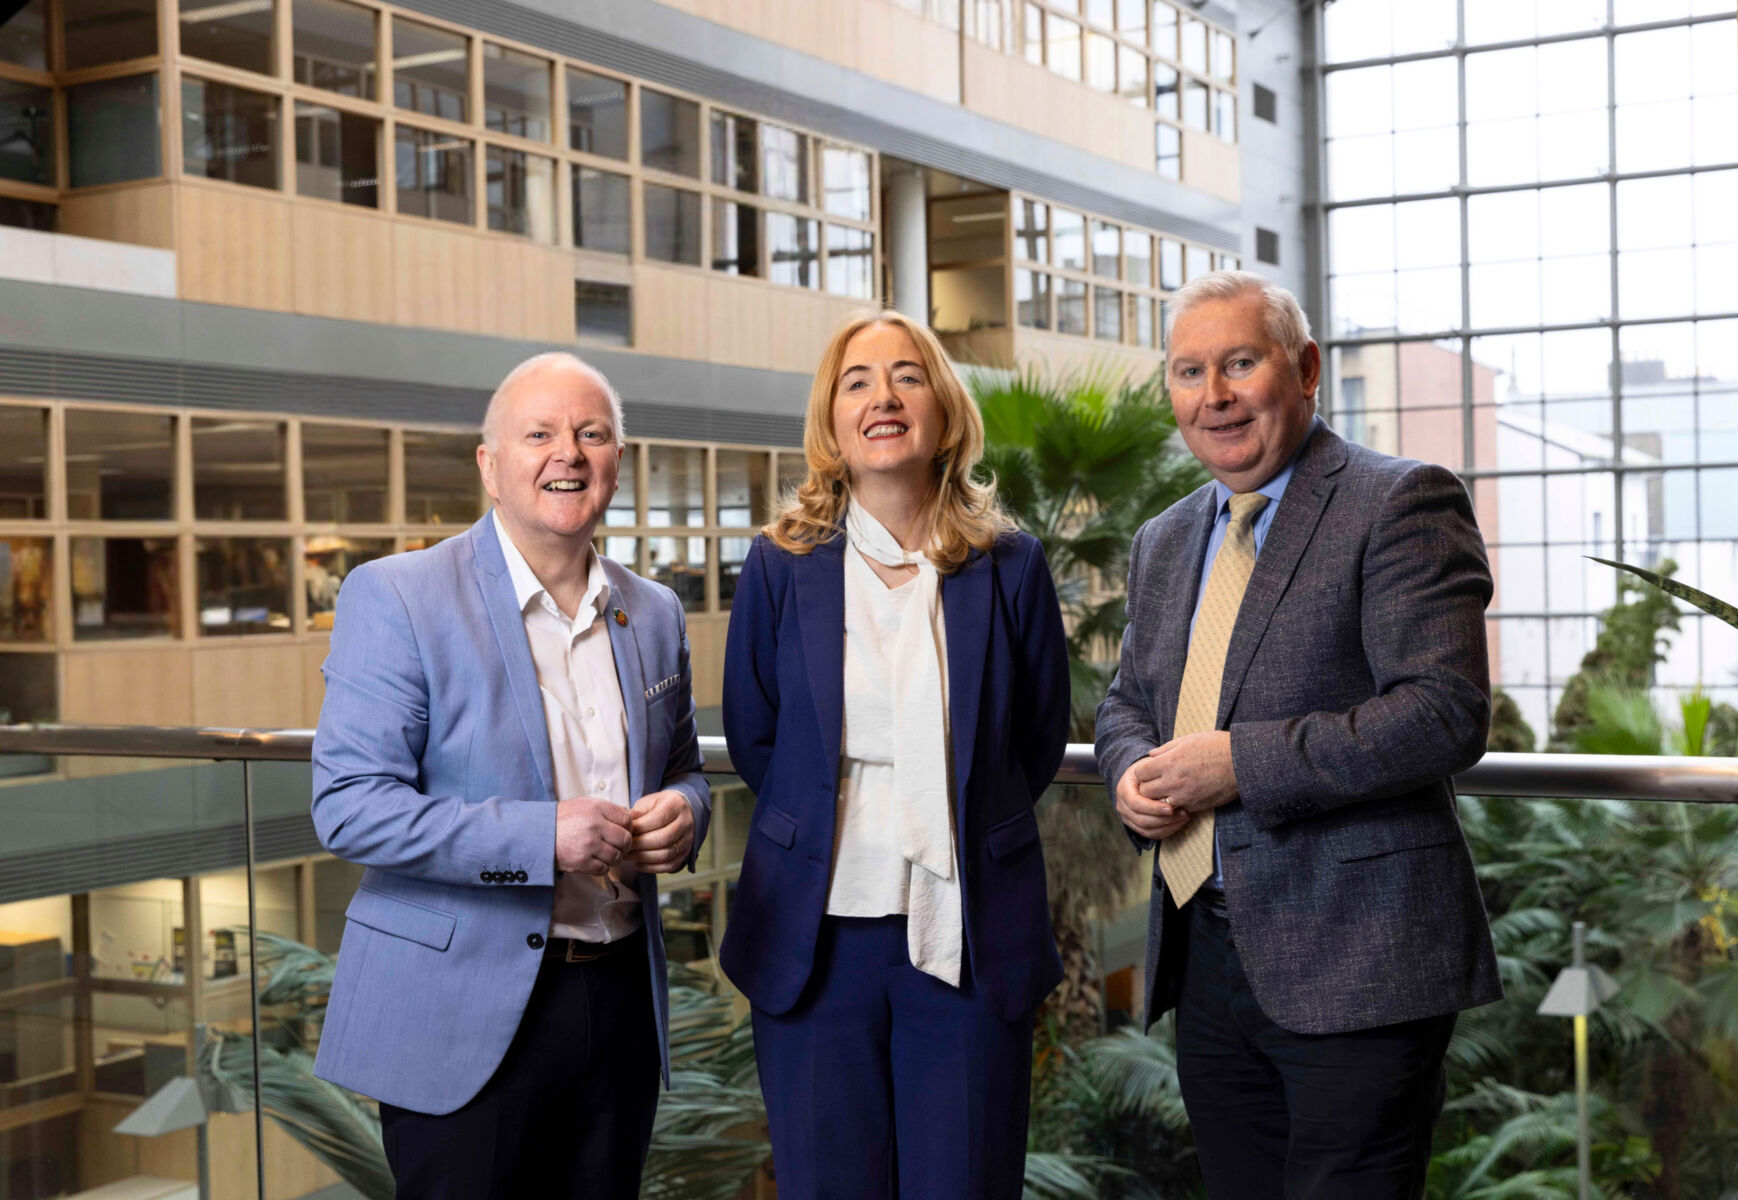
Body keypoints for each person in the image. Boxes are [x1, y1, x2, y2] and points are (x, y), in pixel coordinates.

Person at [1094, 271, 1501, 1199]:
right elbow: (1126, 703)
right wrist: (1127, 774)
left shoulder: (1400, 500)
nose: (1215, 396)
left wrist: (1241, 764)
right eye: (1190, 372)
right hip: (1204, 951)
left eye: (1241, 363)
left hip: (1360, 957)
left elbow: (1444, 710)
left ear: (1307, 369)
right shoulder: (1165, 537)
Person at [310, 352, 710, 1199]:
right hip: (459, 1012)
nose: (568, 453)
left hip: (619, 1000)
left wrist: (687, 809)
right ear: (491, 466)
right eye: (539, 435)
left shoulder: (655, 611)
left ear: (616, 462)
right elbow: (351, 807)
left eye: (591, 434)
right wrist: (539, 838)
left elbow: (684, 768)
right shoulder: (398, 595)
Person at [719, 310, 1070, 1198]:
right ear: (832, 421)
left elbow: (1031, 743)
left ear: (943, 411)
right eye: (858, 381)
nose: (883, 397)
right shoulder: (778, 564)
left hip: (966, 937)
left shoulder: (1011, 565)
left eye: (908, 376)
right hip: (813, 941)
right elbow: (758, 738)